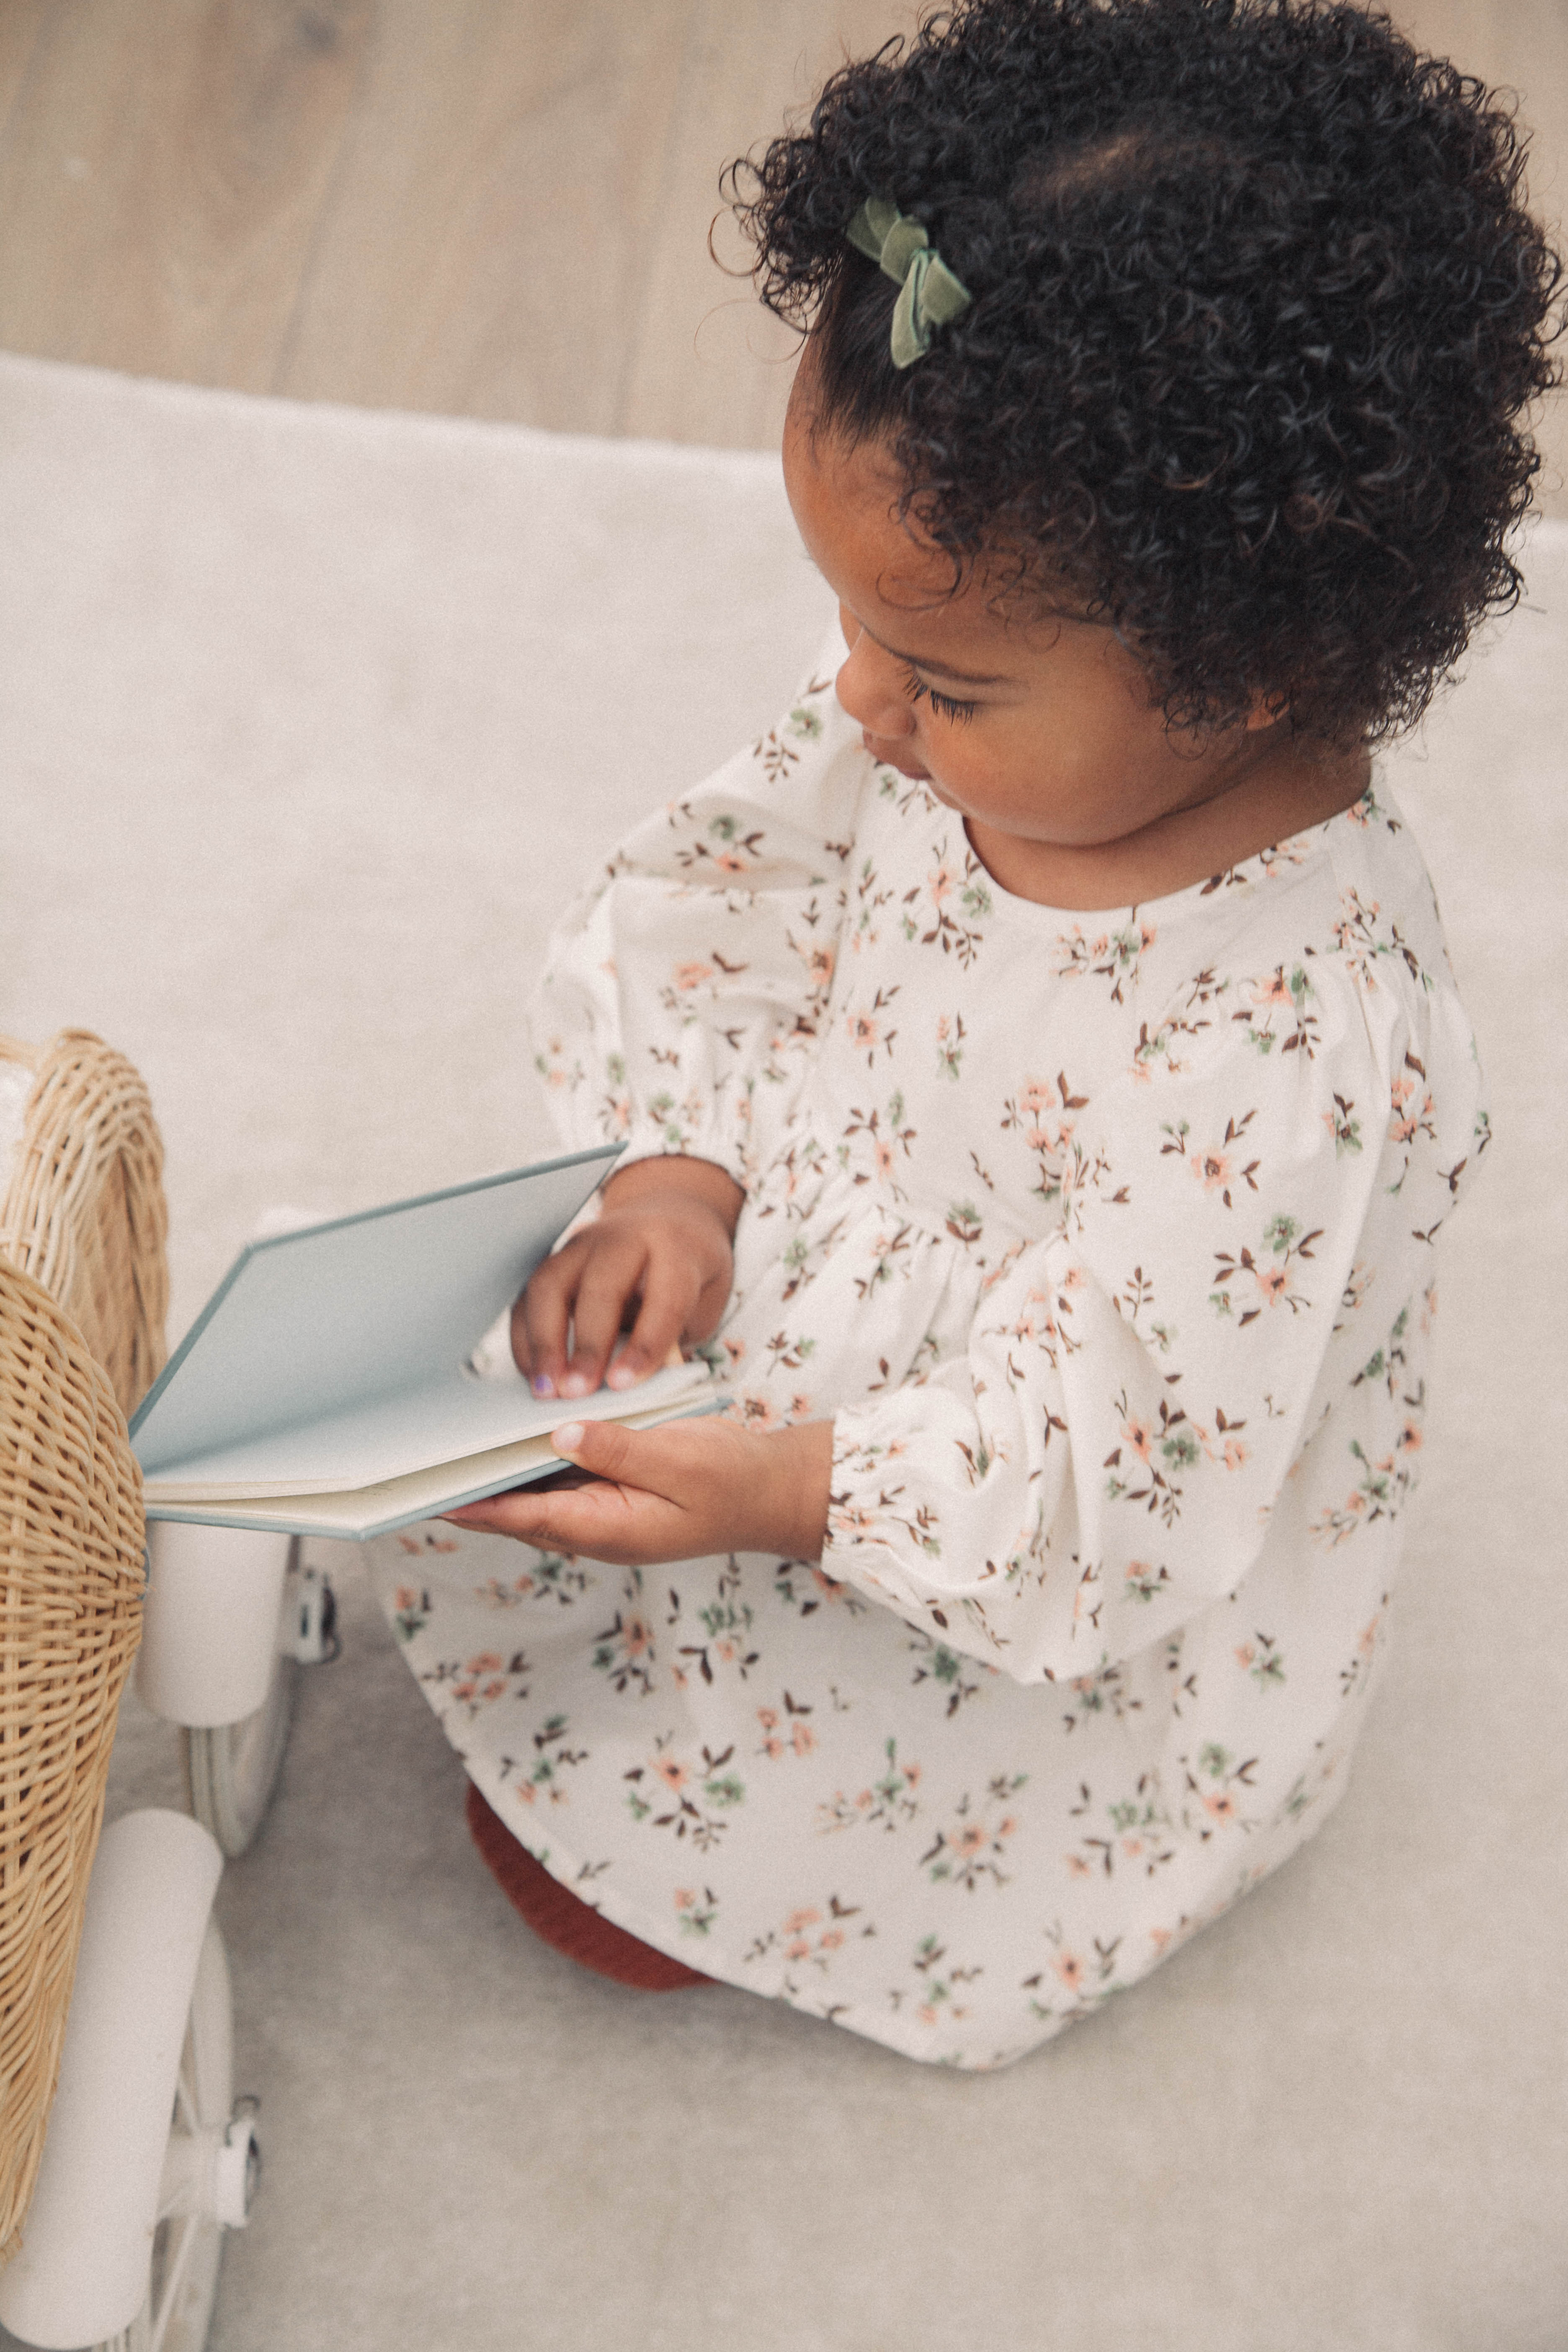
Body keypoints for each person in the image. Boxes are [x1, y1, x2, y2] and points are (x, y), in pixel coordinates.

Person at [366, 0, 1560, 2067]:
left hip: (992, 1523)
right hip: (828, 1304)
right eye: (847, 625)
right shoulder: (946, 712)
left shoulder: (1292, 1043)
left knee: (622, 1875)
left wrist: (800, 1493)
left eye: (932, 673)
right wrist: (686, 1160)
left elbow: (1124, 1462)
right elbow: (739, 897)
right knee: (489, 1456)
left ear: (1252, 664)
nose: (853, 705)